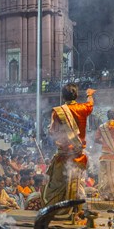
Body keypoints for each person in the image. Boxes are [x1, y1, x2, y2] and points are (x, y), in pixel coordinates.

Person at [42, 84, 95, 215]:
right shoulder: (83, 108)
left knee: (57, 186)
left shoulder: (58, 111)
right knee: (77, 185)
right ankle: (77, 212)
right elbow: (91, 104)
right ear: (76, 95)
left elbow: (52, 131)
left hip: (63, 156)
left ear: (63, 96)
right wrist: (89, 94)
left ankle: (58, 212)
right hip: (78, 156)